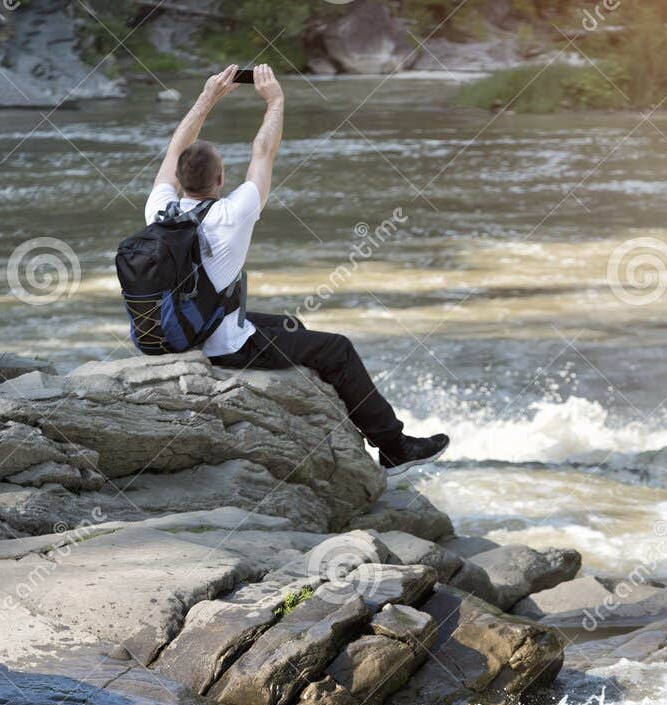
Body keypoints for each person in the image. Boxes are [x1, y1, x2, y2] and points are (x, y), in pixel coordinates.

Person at [145, 63, 449, 475]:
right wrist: (275, 101)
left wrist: (208, 97)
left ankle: (338, 421)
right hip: (220, 345)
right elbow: (263, 152)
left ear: (179, 179)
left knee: (290, 324)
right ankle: (393, 446)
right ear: (221, 180)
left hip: (172, 330)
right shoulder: (233, 213)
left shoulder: (159, 209)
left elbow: (173, 150)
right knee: (337, 348)